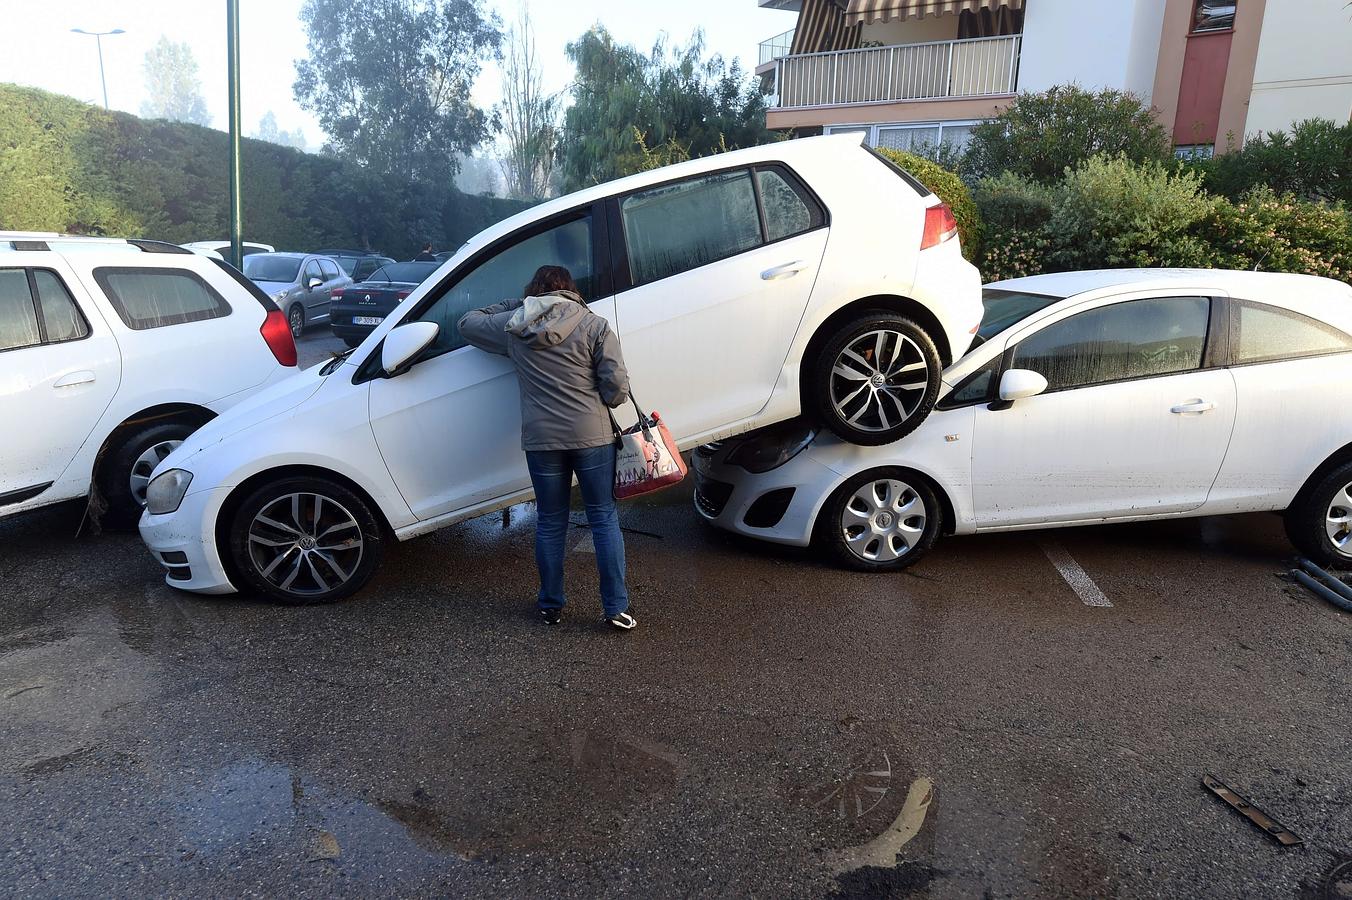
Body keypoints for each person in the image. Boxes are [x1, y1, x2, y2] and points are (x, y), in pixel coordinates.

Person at [458, 265, 637, 631]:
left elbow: (467, 322)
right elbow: (617, 389)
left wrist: (516, 303)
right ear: (570, 290)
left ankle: (551, 606)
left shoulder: (515, 326)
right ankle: (615, 608)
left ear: (534, 291)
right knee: (602, 517)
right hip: (593, 438)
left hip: (542, 442)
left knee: (551, 522)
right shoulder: (594, 324)